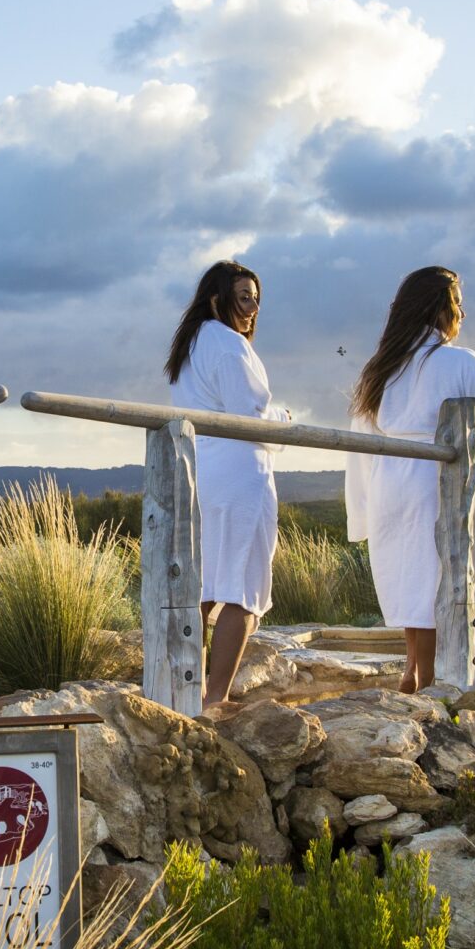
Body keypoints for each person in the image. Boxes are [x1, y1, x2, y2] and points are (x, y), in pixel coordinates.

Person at [344, 266, 475, 693]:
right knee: (431, 587)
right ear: (439, 309)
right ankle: (430, 686)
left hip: (388, 483)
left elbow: (362, 442)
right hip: (433, 483)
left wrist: (360, 510)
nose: (463, 314)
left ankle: (411, 674)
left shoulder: (382, 368)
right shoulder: (461, 362)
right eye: (458, 304)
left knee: (411, 587)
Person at [165, 259, 288, 711]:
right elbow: (250, 419)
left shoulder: (190, 345)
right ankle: (216, 699)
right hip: (240, 475)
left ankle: (185, 690)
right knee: (242, 589)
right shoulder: (231, 346)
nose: (253, 306)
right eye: (244, 296)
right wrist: (284, 419)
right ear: (217, 298)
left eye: (257, 297)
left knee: (204, 587)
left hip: (203, 473)